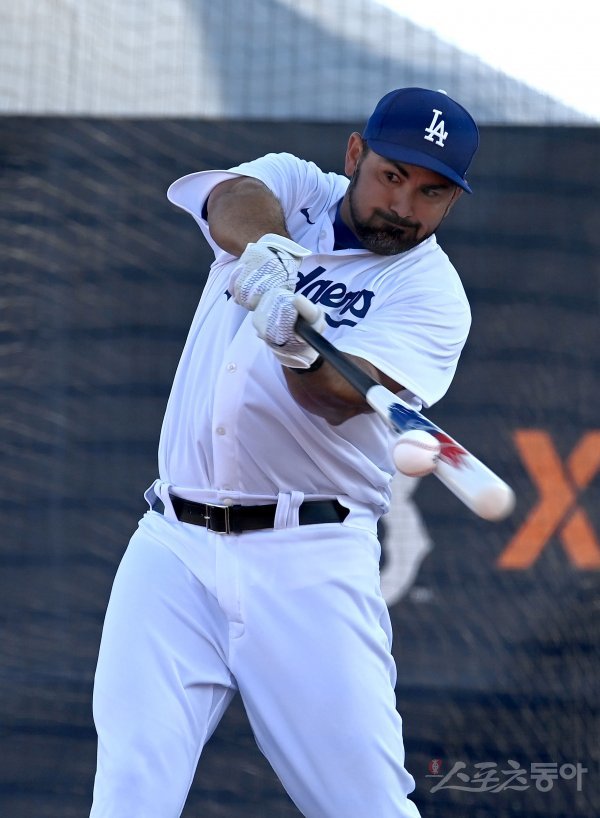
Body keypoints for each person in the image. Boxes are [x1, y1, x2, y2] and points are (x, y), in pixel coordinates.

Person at [90, 87, 479, 818]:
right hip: (172, 544)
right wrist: (266, 255)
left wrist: (296, 344)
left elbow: (337, 396)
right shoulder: (299, 189)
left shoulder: (432, 294)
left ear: (452, 200)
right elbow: (231, 199)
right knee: (129, 791)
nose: (403, 205)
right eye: (392, 175)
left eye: (431, 192)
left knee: (363, 804)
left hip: (306, 560)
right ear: (356, 154)